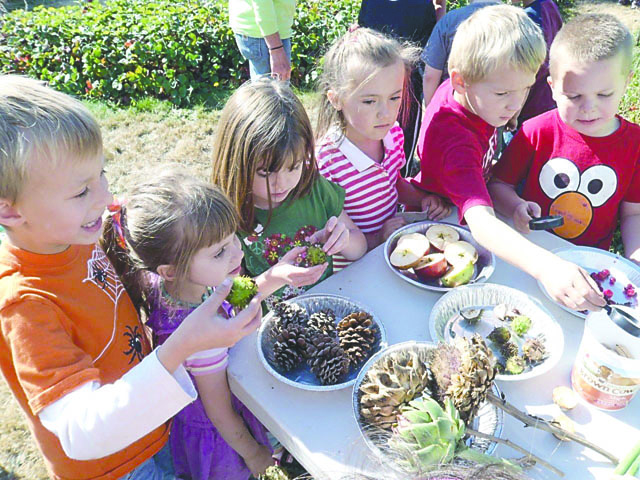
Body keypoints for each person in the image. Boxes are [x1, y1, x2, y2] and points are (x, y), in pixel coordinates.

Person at [0, 75, 262, 480]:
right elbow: (81, 432)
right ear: (10, 212)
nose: (103, 198)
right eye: (80, 192)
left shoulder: (71, 232)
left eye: (100, 175)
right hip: (118, 467)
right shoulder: (25, 305)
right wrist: (183, 345)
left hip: (157, 425)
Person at [411, 5, 605, 312]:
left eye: (524, 89)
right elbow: (482, 224)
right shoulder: (455, 137)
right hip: (441, 222)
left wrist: (513, 205)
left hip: (460, 201)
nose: (515, 104)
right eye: (504, 94)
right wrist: (547, 268)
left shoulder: (477, 94)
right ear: (460, 81)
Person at [101, 171, 274, 479]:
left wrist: (275, 278)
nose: (237, 252)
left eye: (233, 236)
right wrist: (254, 453)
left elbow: (231, 294)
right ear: (171, 269)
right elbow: (221, 415)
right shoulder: (204, 340)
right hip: (223, 444)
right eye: (220, 251)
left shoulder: (168, 284)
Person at [489, 14, 640, 264]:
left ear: (627, 83)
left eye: (604, 94)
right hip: (532, 255)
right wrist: (515, 207)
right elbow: (498, 185)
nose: (588, 108)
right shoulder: (535, 131)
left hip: (592, 263)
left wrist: (635, 260)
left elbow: (633, 213)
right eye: (574, 96)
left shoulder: (635, 144)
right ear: (552, 88)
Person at [211, 78, 367, 304]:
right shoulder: (225, 217)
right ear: (236, 161)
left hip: (325, 311)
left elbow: (359, 247)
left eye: (294, 167)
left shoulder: (313, 188)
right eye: (265, 172)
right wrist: (276, 277)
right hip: (268, 326)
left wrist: (342, 240)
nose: (281, 183)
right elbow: (230, 299)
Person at [315, 27, 450, 269]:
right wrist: (379, 238)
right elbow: (335, 236)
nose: (385, 113)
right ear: (335, 99)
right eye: (369, 101)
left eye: (394, 97)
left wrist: (423, 198)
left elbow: (392, 182)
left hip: (391, 255)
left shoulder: (393, 134)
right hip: (353, 272)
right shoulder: (327, 162)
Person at [357, 0, 445, 163]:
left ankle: (386, 170)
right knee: (395, 122)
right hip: (398, 73)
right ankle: (389, 170)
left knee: (388, 121)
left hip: (386, 72)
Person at [420, 0, 499, 109]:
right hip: (499, 109)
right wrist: (513, 116)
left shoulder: (450, 20)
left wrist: (431, 110)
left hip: (454, 108)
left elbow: (430, 76)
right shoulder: (518, 21)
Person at [516, 0, 563, 126]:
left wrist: (514, 111)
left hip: (530, 105)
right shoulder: (549, 5)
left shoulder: (528, 18)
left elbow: (528, 70)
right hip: (549, 97)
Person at [229, 0, 295, 81]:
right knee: (272, 91)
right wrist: (276, 49)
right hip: (267, 34)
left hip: (261, 31)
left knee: (264, 88)